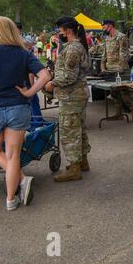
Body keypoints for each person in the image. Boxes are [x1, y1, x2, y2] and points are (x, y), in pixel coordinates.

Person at [0, 16, 51, 210]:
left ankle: (23, 179)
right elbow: (45, 75)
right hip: (18, 107)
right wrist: (29, 92)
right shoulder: (23, 53)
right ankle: (11, 199)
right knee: (13, 156)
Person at [41, 16, 92, 182]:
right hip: (77, 95)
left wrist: (51, 84)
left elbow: (69, 76)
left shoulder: (72, 49)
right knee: (78, 129)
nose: (58, 34)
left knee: (69, 131)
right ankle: (82, 162)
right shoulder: (77, 46)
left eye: (60, 31)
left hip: (72, 96)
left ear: (68, 31)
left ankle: (74, 168)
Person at [100, 19, 133, 121]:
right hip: (110, 70)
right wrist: (103, 67)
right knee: (114, 93)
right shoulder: (107, 38)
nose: (103, 28)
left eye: (104, 26)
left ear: (110, 26)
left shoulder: (121, 37)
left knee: (126, 93)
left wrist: (122, 70)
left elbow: (123, 54)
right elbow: (104, 54)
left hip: (120, 70)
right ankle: (119, 113)